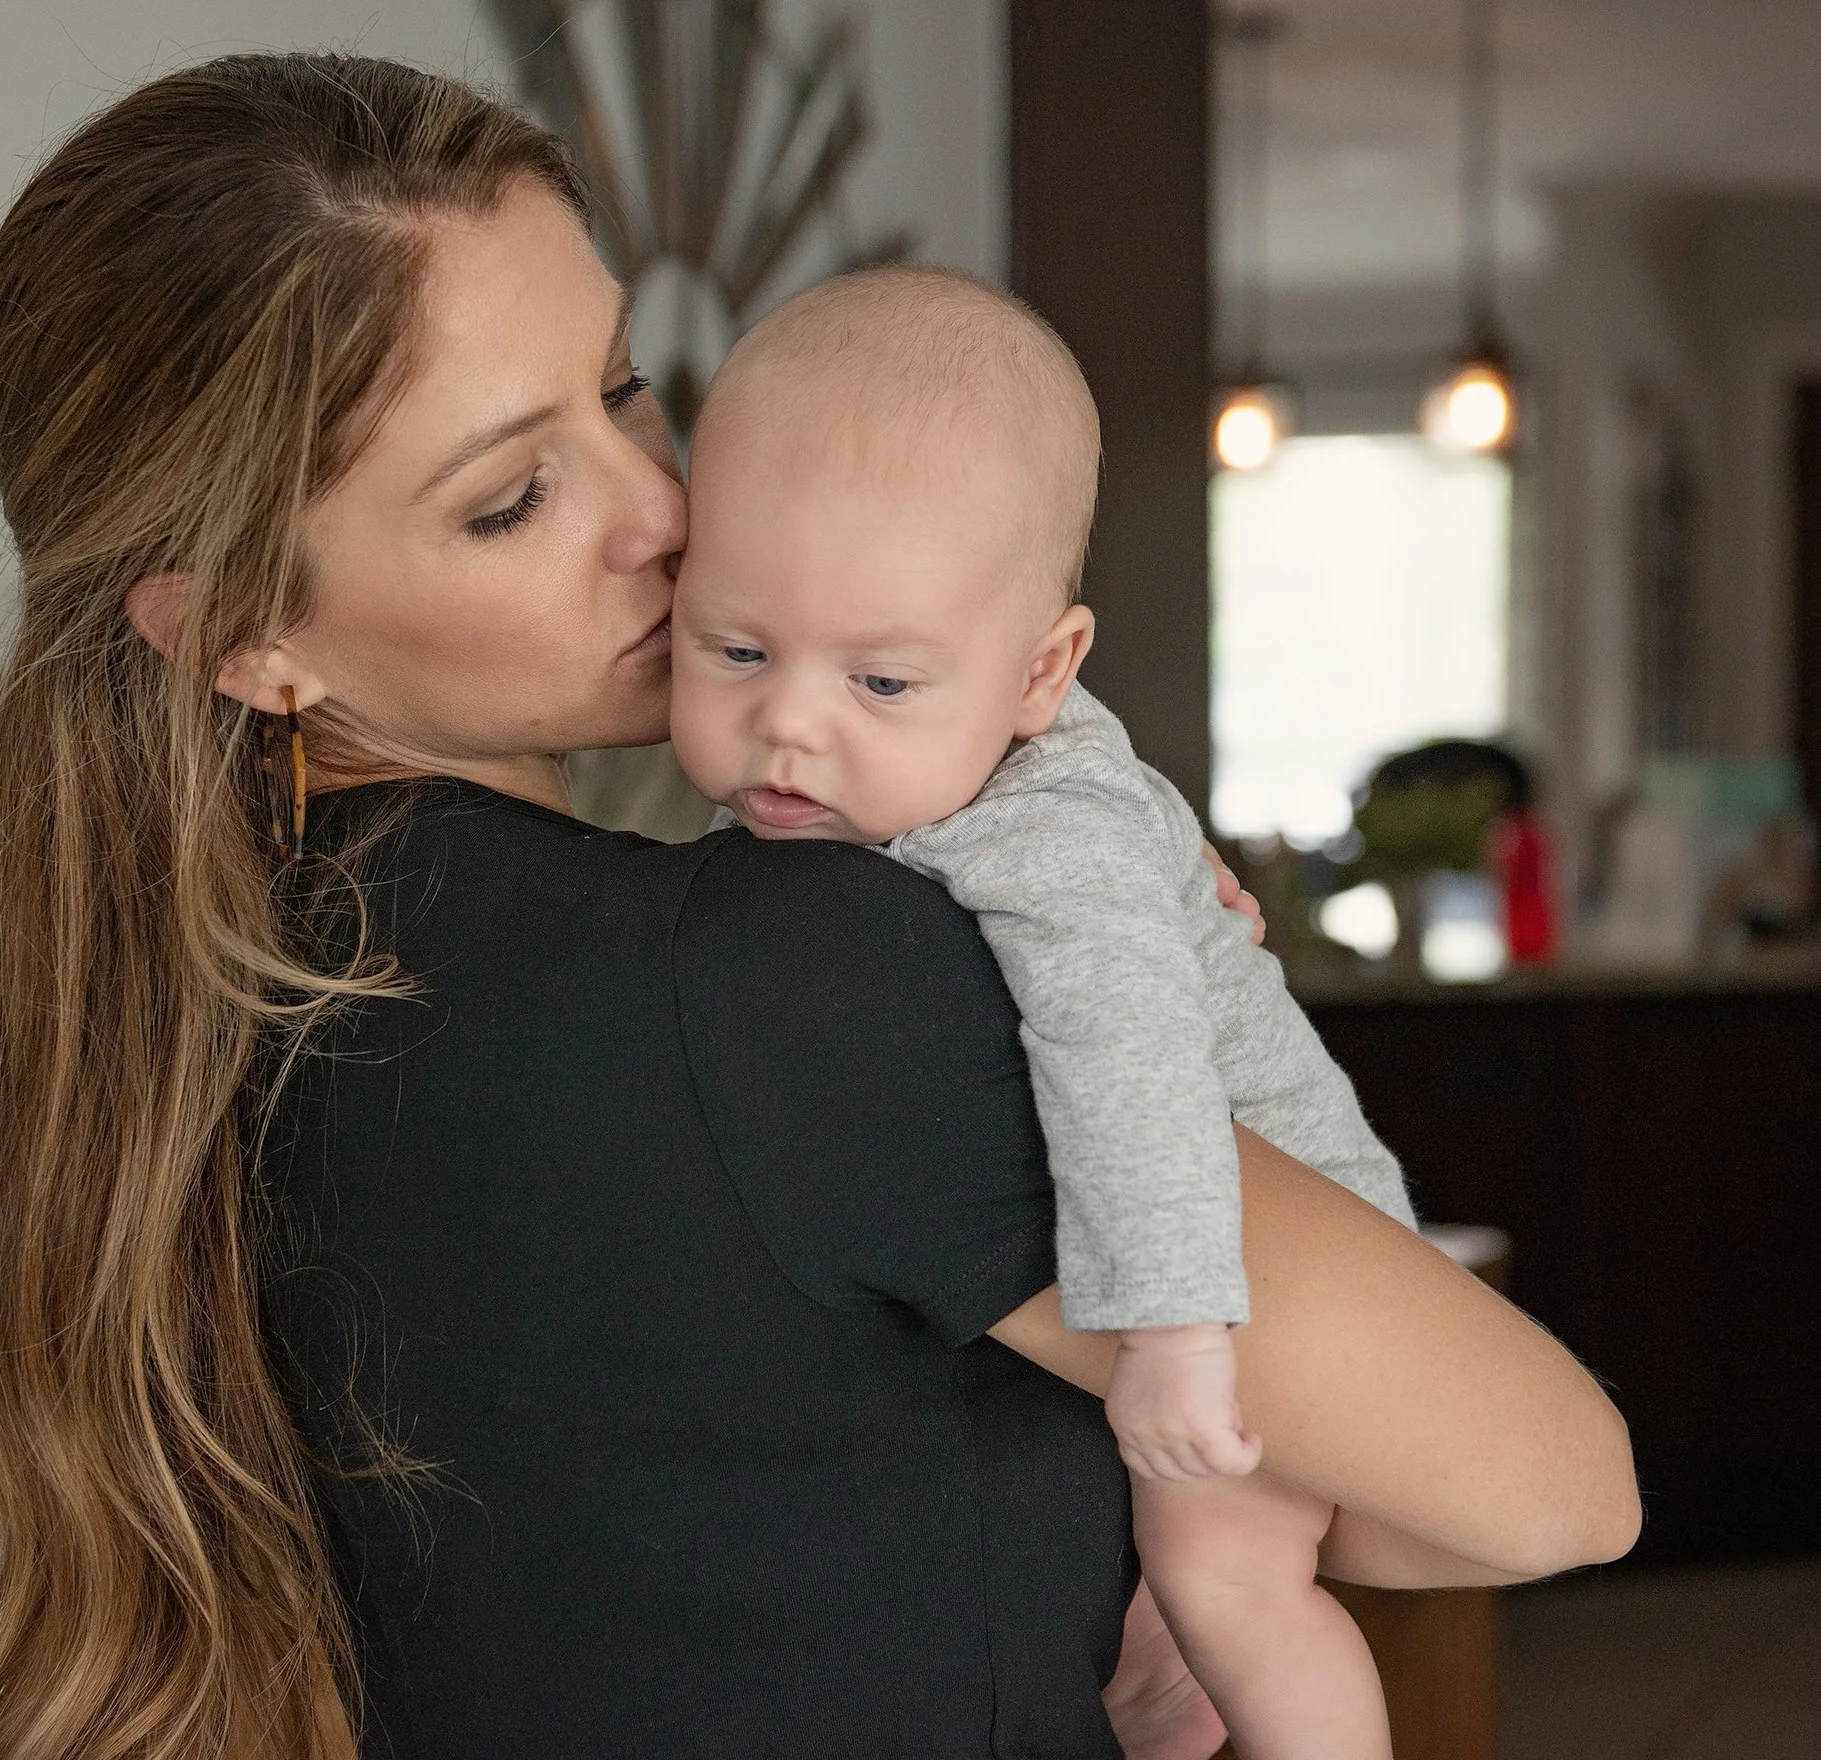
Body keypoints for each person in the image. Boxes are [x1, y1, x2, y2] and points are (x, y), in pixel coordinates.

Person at [0, 52, 1641, 1760]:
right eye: (511, 497)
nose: (660, 509)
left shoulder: (167, 1026)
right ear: (240, 635)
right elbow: (1549, 1488)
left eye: (628, 386)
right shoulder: (790, 983)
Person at [670, 263, 1411, 1758]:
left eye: (880, 680)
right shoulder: (915, 752)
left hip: (1263, 1251)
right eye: (733, 649)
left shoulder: (1050, 834)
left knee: (1233, 1578)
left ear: (1040, 675)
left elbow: (1129, 1069)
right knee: (1142, 1617)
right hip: (1157, 1255)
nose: (791, 723)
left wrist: (1180, 1339)